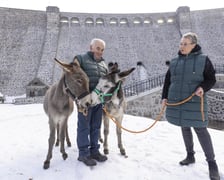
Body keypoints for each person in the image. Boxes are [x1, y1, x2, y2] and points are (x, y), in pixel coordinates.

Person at [161, 32, 220, 180]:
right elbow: (168, 81)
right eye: (181, 43)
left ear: (194, 45)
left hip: (195, 101)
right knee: (184, 127)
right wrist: (164, 97)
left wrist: (202, 88)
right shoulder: (174, 61)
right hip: (177, 100)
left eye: (185, 44)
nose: (181, 46)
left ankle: (212, 164)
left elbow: (211, 79)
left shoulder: (203, 59)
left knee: (201, 129)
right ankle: (190, 155)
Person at [73, 38, 108, 166]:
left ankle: (94, 151)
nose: (100, 51)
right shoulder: (81, 58)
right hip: (85, 102)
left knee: (96, 127)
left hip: (98, 101)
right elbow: (74, 76)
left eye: (102, 49)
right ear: (91, 47)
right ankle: (83, 154)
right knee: (84, 127)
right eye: (98, 48)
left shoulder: (104, 64)